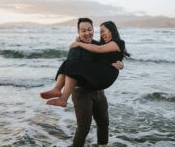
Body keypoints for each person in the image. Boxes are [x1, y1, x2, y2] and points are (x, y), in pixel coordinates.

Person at [41, 18, 124, 147]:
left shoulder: (98, 45)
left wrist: (119, 63)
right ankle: (60, 93)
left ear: (93, 30)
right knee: (84, 127)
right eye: (83, 30)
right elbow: (70, 70)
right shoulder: (76, 47)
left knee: (103, 122)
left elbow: (106, 55)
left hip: (98, 90)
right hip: (81, 93)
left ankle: (103, 145)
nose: (87, 33)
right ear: (78, 32)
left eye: (89, 29)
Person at [44, 20, 128, 108]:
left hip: (106, 75)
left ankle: (62, 98)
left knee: (71, 64)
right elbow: (93, 43)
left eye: (103, 31)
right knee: (69, 64)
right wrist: (80, 39)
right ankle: (57, 90)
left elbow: (98, 49)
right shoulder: (103, 44)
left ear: (112, 30)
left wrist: (79, 43)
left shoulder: (119, 42)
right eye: (100, 32)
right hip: (99, 73)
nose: (102, 34)